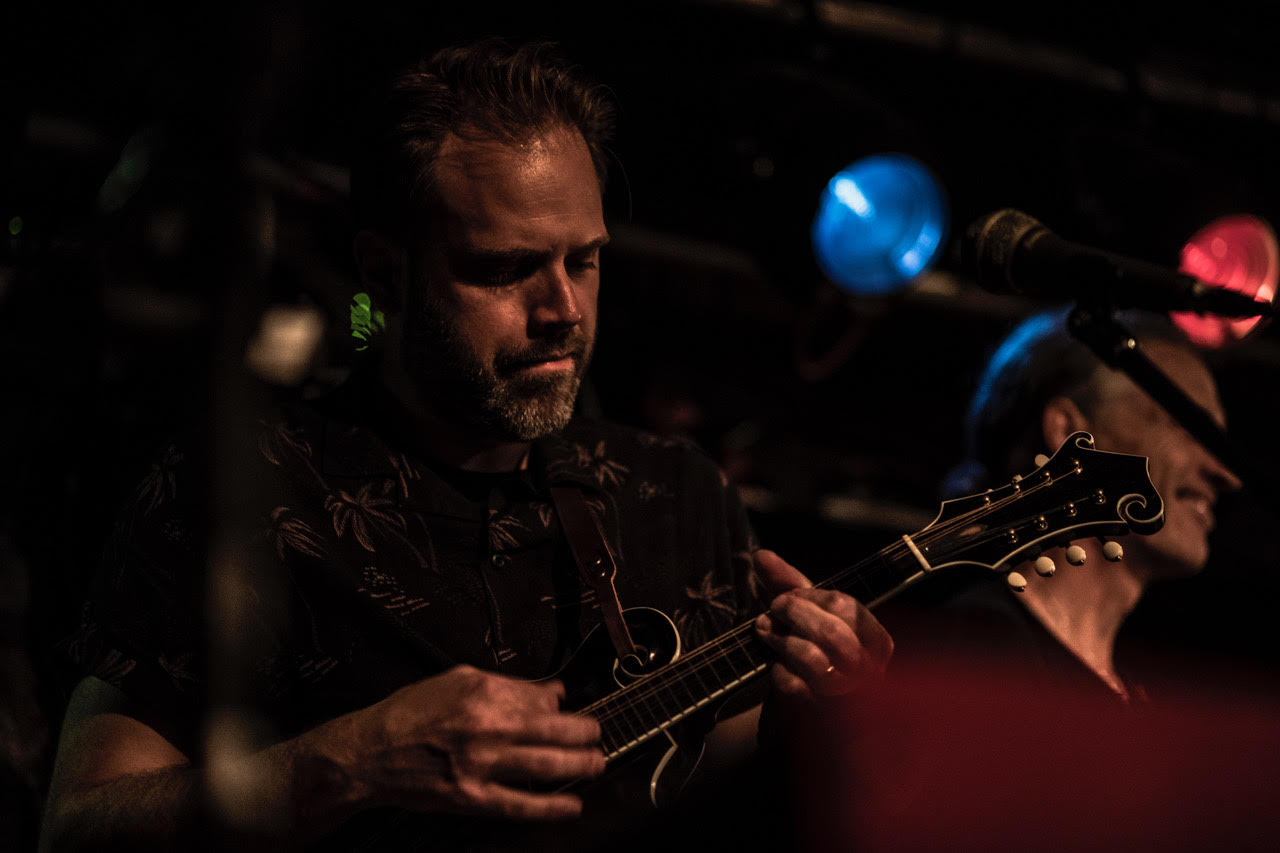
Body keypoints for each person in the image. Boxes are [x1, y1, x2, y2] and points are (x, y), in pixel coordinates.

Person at [40, 39, 892, 852]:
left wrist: (820, 717)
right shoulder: (248, 485)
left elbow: (719, 787)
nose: (562, 307)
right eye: (505, 267)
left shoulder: (673, 491)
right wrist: (352, 759)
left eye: (584, 261)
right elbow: (79, 831)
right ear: (385, 271)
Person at [890, 308, 1242, 700]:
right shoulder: (975, 656)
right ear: (1071, 431)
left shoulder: (1135, 698)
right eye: (1191, 428)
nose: (1226, 476)